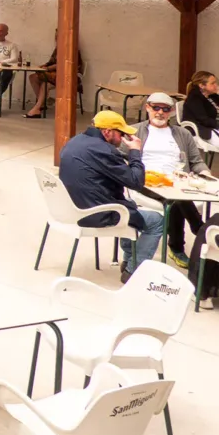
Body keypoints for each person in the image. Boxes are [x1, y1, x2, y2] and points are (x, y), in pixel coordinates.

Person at [58, 111, 165, 282]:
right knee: (157, 221)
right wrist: (135, 152)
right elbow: (136, 182)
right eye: (120, 133)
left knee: (129, 205)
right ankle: (133, 270)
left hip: (71, 207)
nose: (123, 137)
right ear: (107, 132)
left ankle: (130, 259)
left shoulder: (75, 141)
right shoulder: (105, 150)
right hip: (96, 213)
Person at [127, 93, 213, 269]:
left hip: (178, 180)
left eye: (165, 109)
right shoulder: (134, 131)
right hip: (147, 182)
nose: (160, 112)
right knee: (175, 199)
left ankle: (197, 231)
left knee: (177, 195)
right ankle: (186, 240)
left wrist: (206, 175)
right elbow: (120, 158)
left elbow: (196, 161)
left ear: (172, 111)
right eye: (156, 108)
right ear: (148, 108)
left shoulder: (182, 134)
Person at [23, 29, 83, 119]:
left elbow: (64, 65)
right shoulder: (58, 48)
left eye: (59, 36)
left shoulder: (72, 50)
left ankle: (36, 109)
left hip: (69, 76)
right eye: (56, 36)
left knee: (45, 84)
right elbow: (51, 62)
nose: (56, 38)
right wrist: (42, 66)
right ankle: (42, 104)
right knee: (33, 77)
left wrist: (48, 68)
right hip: (55, 75)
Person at [182, 70, 219, 142]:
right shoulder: (194, 98)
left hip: (213, 127)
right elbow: (204, 120)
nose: (216, 85)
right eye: (212, 83)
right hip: (201, 129)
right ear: (202, 85)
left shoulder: (212, 96)